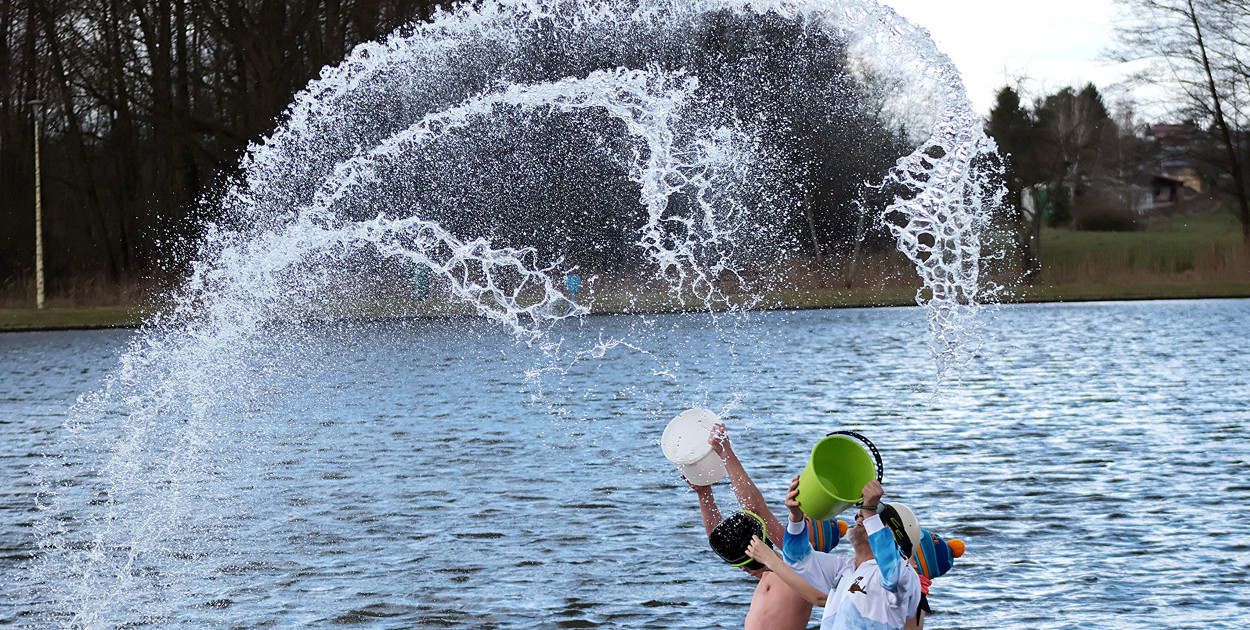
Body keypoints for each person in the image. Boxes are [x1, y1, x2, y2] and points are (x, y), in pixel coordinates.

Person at [685, 423, 846, 630]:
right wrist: (704, 492)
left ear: (814, 543)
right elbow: (722, 541)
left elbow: (757, 510)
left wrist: (725, 451)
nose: (794, 525)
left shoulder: (805, 572)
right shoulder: (772, 565)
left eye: (804, 522)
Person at [745, 476, 922, 630]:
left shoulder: (904, 574)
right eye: (861, 514)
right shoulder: (844, 567)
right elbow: (797, 559)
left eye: (875, 516)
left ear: (893, 535)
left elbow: (892, 575)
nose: (861, 515)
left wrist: (870, 513)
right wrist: (796, 517)